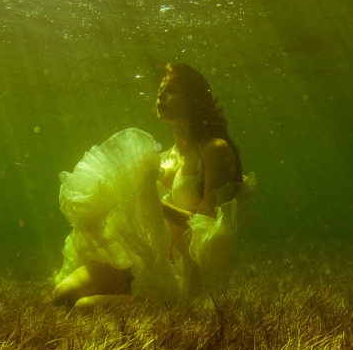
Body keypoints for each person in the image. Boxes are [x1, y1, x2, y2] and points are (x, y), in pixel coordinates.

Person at [53, 63, 255, 308]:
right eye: (160, 90)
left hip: (181, 279)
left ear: (194, 98)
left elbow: (209, 231)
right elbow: (138, 217)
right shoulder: (161, 160)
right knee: (63, 294)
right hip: (140, 264)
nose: (160, 96)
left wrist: (153, 203)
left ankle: (165, 305)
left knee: (83, 306)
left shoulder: (214, 151)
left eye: (171, 90)